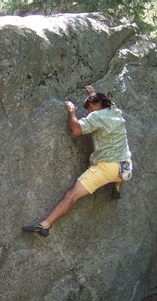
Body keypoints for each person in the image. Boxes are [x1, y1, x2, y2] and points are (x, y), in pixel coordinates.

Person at [22, 87, 132, 237]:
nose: (88, 112)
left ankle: (45, 225)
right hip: (125, 165)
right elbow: (101, 100)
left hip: (107, 169)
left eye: (90, 107)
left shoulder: (97, 117)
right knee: (120, 161)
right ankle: (117, 187)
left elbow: (76, 130)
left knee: (71, 195)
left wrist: (72, 112)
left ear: (99, 104)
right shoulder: (114, 110)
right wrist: (92, 93)